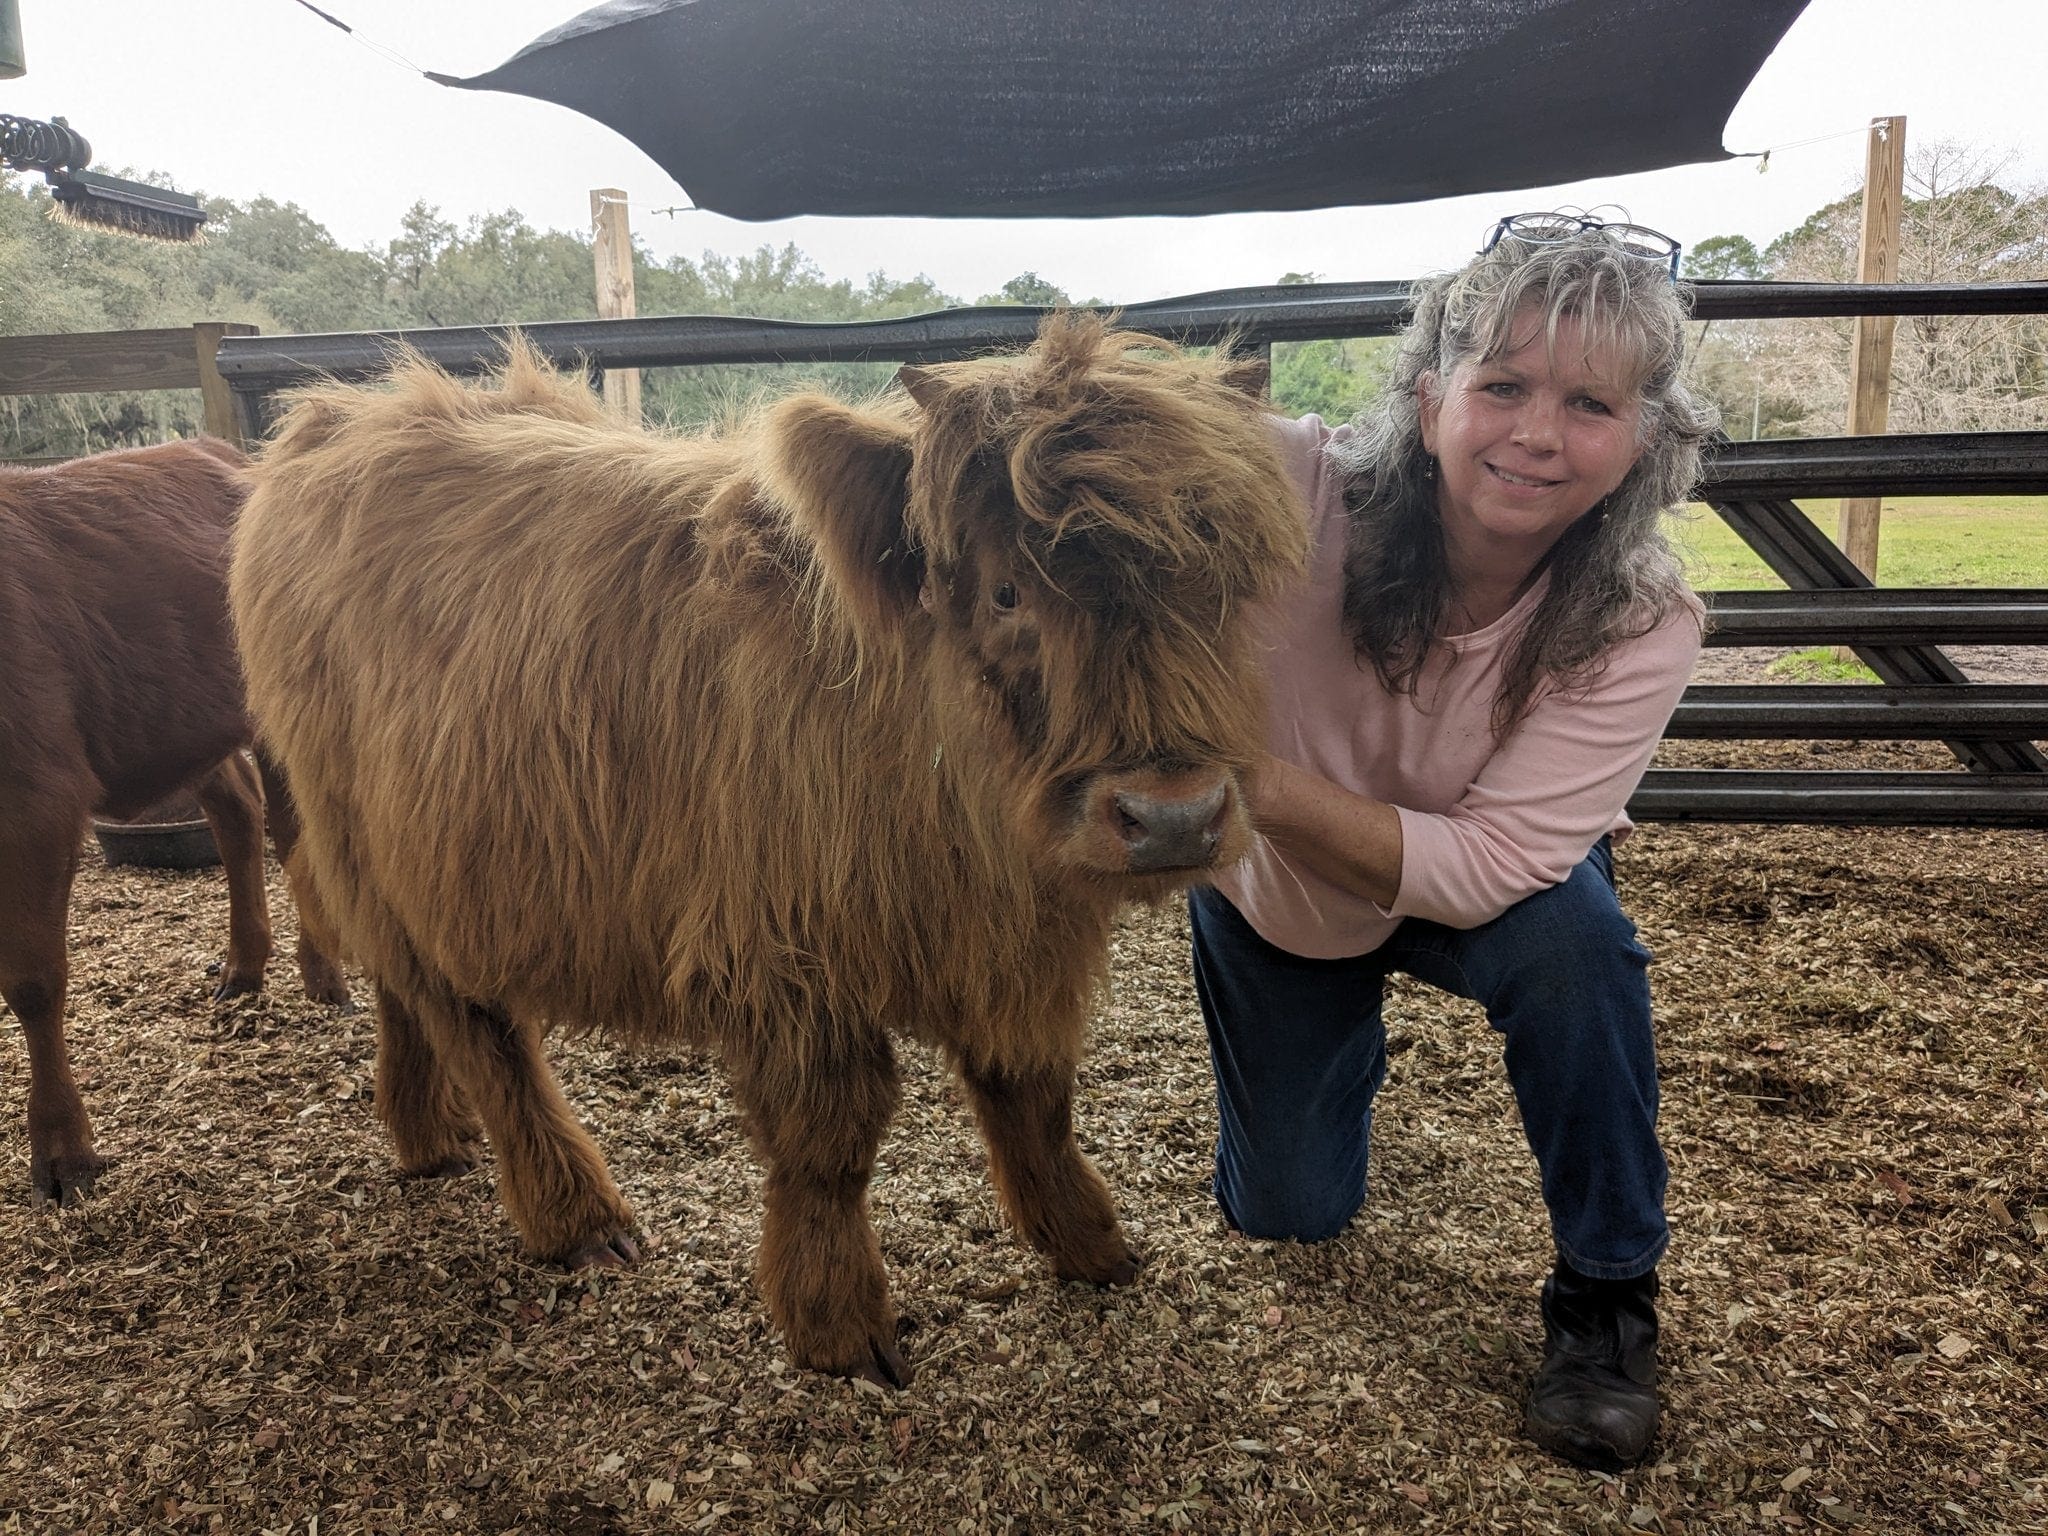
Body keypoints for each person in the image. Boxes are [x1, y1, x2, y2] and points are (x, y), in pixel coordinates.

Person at [1193, 213, 1717, 1472]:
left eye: (1589, 403)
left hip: (1478, 880)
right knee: (1284, 1213)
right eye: (1502, 386)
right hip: (1279, 890)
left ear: (1641, 440)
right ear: (1428, 399)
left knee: (1576, 951)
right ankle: (1331, 1035)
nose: (1536, 434)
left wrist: (1242, 778)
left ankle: (1606, 1295)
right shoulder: (1292, 486)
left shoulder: (1638, 615)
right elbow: (1103, 436)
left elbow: (1485, 867)